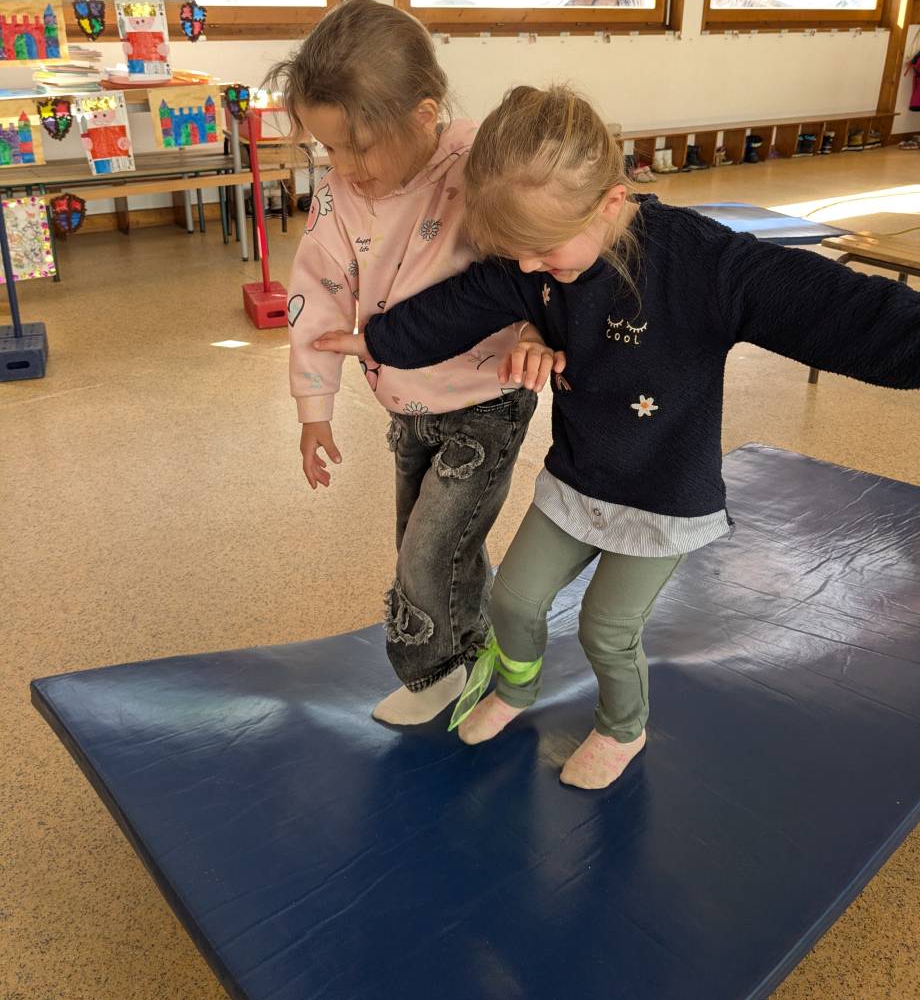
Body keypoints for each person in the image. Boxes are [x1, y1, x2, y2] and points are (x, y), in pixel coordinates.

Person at [315, 85, 920, 789]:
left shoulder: (701, 265)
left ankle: (622, 726)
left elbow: (834, 306)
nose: (533, 270)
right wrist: (375, 341)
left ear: (611, 199)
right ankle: (515, 686)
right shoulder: (530, 262)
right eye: (520, 256)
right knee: (512, 601)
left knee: (606, 628)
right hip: (579, 478)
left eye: (543, 251)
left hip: (664, 496)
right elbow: (460, 305)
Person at [276, 0, 538, 727]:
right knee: (437, 543)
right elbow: (318, 299)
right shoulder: (338, 195)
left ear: (425, 116)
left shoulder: (482, 164)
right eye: (327, 149)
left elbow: (540, 251)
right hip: (408, 410)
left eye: (357, 148)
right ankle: (473, 642)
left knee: (427, 555)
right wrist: (313, 410)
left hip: (488, 398)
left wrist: (542, 331)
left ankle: (439, 671)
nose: (343, 167)